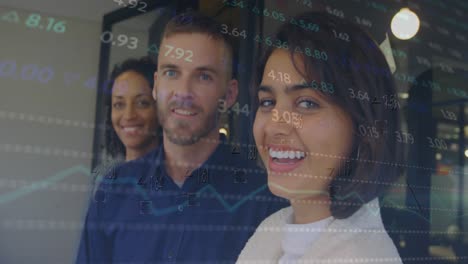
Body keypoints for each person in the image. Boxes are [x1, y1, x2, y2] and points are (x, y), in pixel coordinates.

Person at [76, 12, 287, 263]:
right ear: (156, 85)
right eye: (171, 73)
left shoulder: (263, 201)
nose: (184, 93)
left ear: (229, 95)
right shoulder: (114, 189)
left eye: (203, 76)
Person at [238, 12, 404, 263]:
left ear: (364, 126)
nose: (274, 126)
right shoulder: (270, 234)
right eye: (268, 102)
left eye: (306, 103)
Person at [91, 57, 159, 195]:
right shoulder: (104, 176)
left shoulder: (179, 175)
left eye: (142, 103)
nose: (128, 115)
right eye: (119, 104)